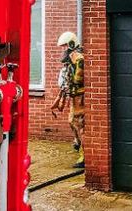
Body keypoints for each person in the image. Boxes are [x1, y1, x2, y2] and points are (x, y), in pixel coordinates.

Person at [49, 31, 85, 168]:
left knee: (81, 126)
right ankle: (78, 144)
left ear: (71, 43)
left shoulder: (77, 56)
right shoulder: (71, 57)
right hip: (74, 96)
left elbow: (80, 68)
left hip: (80, 96)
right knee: (72, 121)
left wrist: (76, 80)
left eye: (65, 46)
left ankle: (84, 157)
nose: (64, 49)